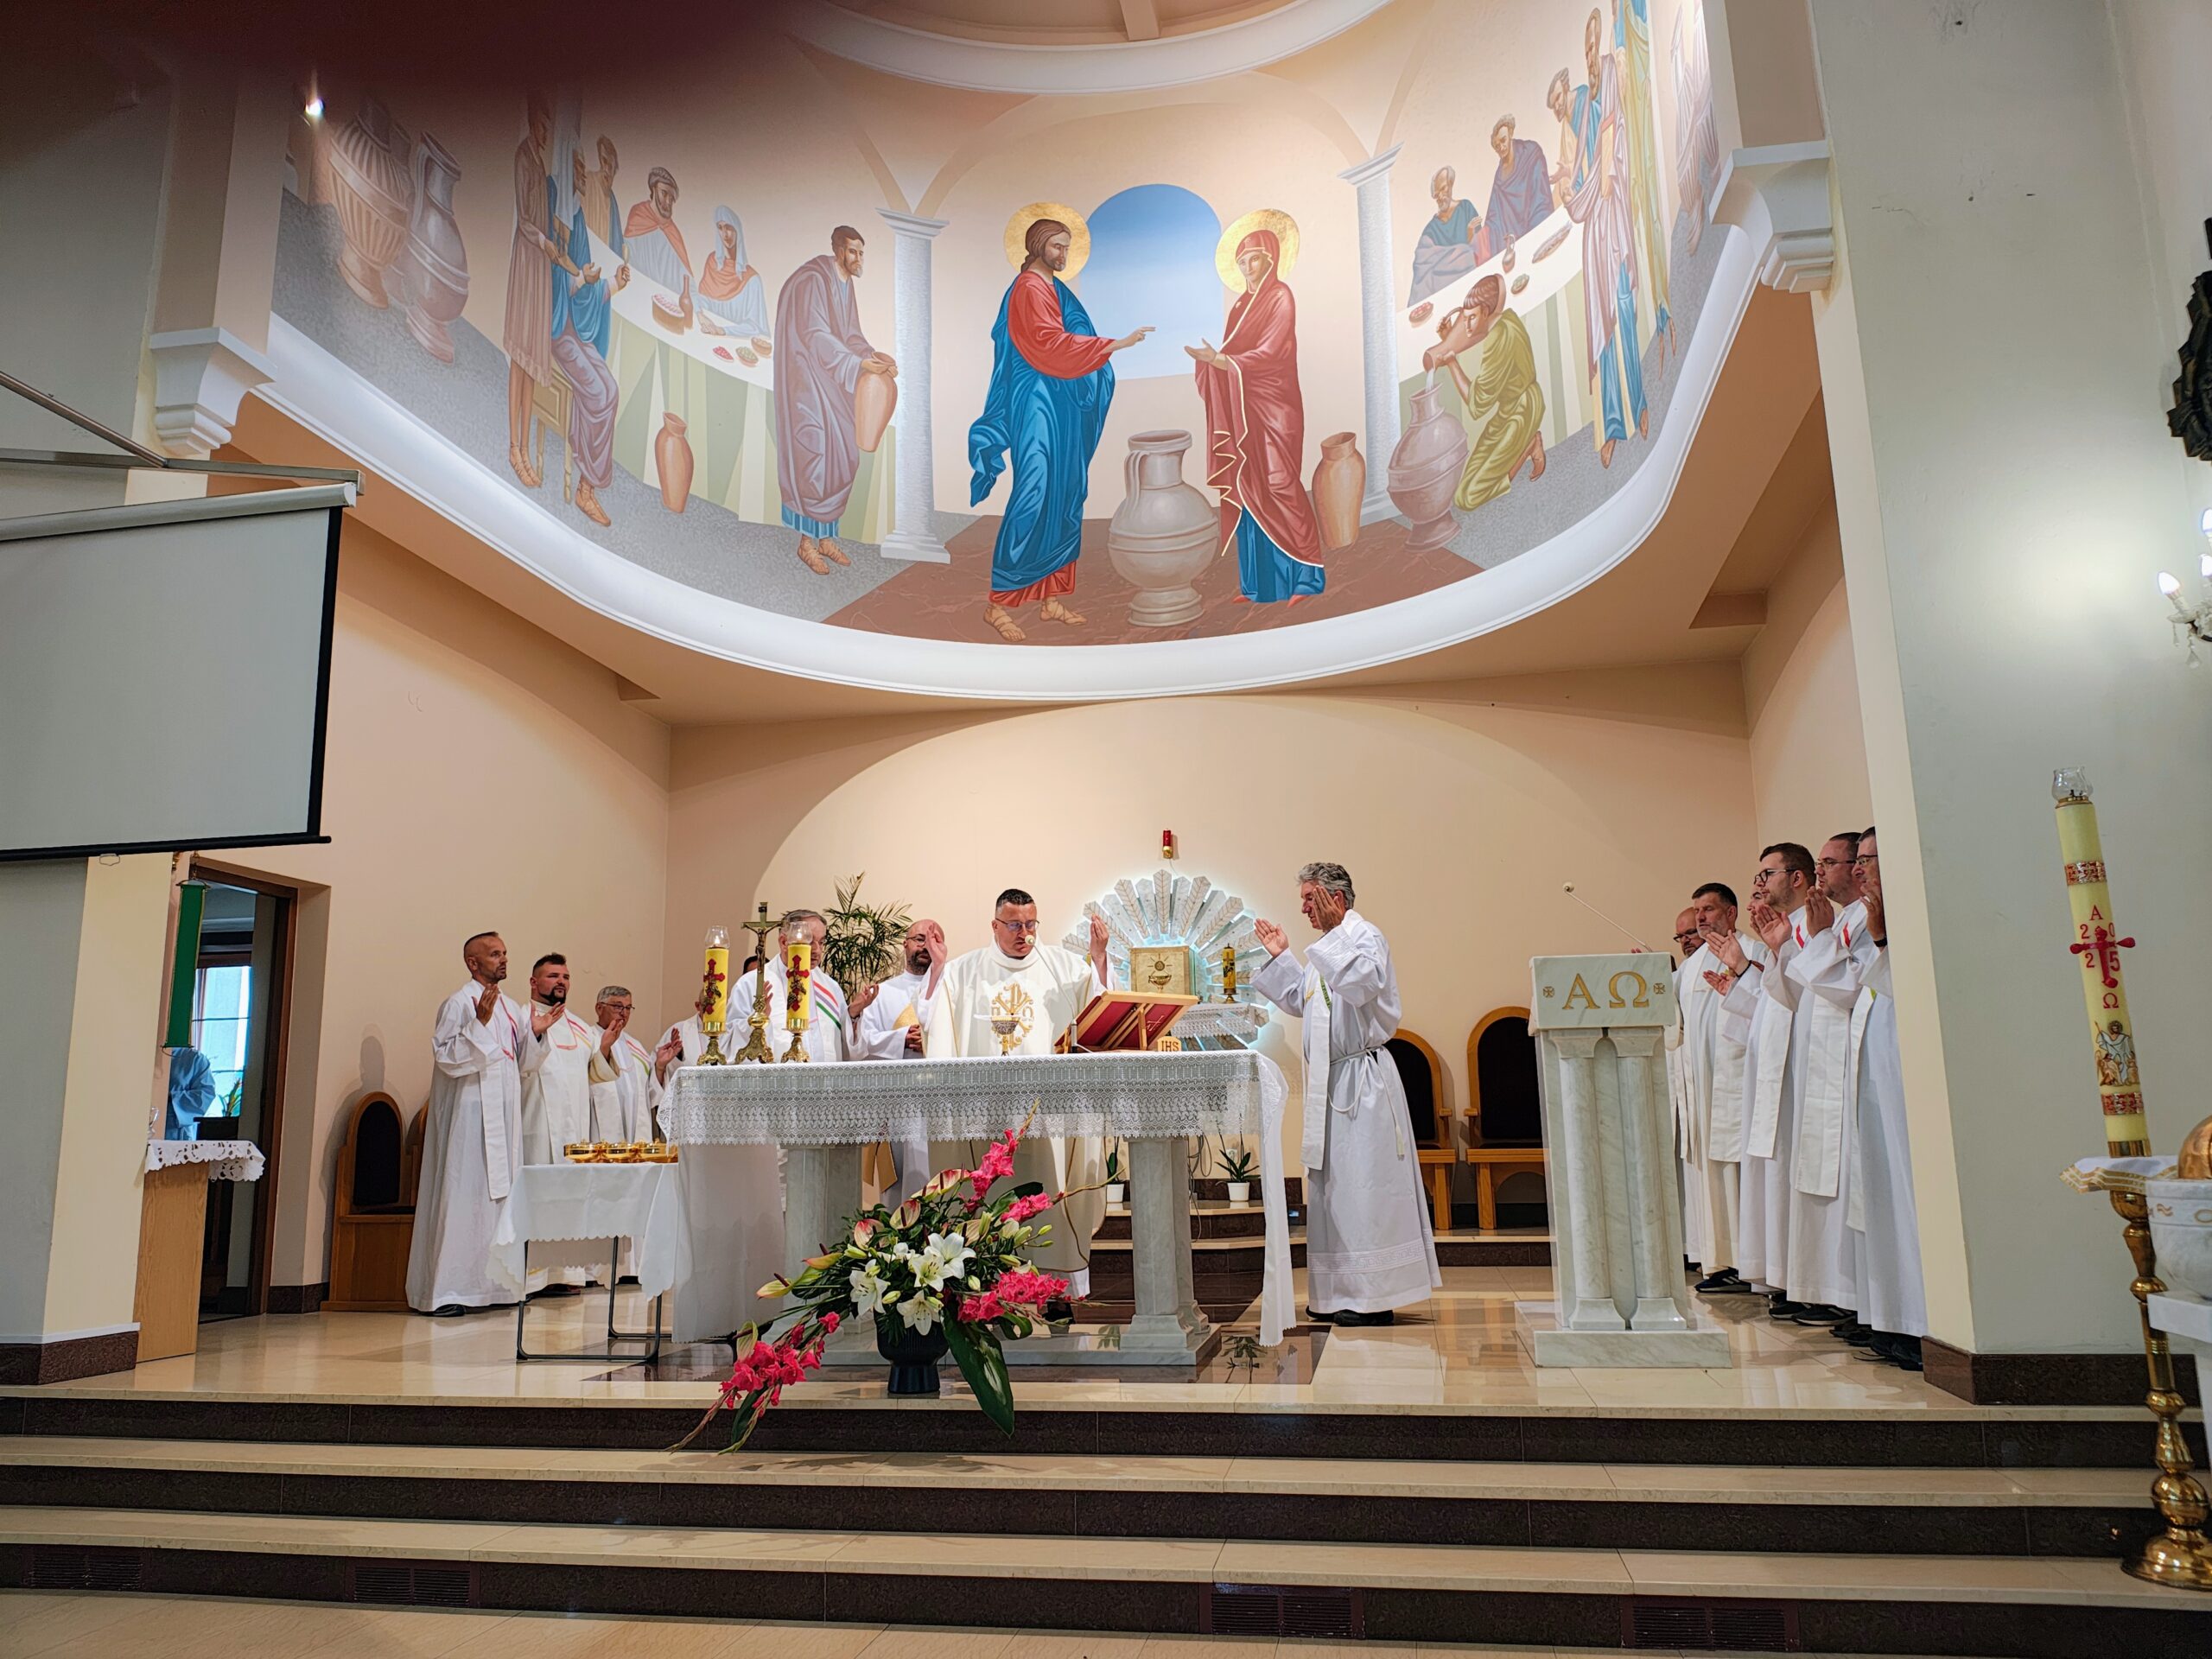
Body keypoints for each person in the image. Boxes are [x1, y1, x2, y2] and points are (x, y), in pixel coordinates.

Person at [1251, 863, 1440, 1326]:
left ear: (1336, 898)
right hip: (1331, 1084)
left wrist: (1333, 937)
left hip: (1364, 1083)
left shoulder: (1364, 937)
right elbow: (1302, 1001)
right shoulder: (1330, 948)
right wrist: (1282, 958)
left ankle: (1373, 1298)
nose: (1303, 908)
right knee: (1335, 1191)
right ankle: (1337, 1292)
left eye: (1310, 898)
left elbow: (1362, 984)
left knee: (1365, 1188)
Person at [923, 890, 1112, 1306]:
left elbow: (1097, 1014)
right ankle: (984, 1294)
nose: (1024, 933)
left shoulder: (1064, 968)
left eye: (1030, 924)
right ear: (995, 926)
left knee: (1051, 1194)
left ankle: (1057, 1295)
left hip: (1050, 1114)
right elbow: (936, 1028)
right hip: (985, 1115)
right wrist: (937, 968)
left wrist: (1098, 960)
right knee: (987, 1196)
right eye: (1014, 925)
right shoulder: (963, 972)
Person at [968, 218, 1151, 643]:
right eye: (1057, 246)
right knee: (1034, 489)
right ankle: (998, 604)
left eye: (1067, 247)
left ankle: (1050, 598)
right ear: (1037, 246)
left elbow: (1074, 331)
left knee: (1067, 490)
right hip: (1035, 400)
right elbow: (1046, 343)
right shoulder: (1028, 288)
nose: (1063, 254)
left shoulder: (1058, 290)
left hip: (1063, 401)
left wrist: (1093, 351)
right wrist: (1112, 345)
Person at [408, 932, 556, 1316]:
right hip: (469, 1118)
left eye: (504, 953)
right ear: (472, 963)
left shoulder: (508, 1007)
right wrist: (478, 1024)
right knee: (463, 1196)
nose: (503, 959)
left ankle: (497, 1289)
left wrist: (536, 1033)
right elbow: (447, 1058)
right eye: (494, 954)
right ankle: (449, 1291)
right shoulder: (458, 1004)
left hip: (503, 1121)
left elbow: (521, 1063)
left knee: (499, 1203)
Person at [1189, 226, 1325, 604]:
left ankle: (1307, 576)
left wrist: (1221, 361)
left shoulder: (1280, 296)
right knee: (1248, 486)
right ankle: (1259, 586)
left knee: (1280, 483)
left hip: (1275, 405)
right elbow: (1231, 353)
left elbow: (1272, 352)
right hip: (1243, 408)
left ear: (1271, 260)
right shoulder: (1239, 308)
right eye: (1242, 262)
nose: (1248, 268)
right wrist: (1211, 364)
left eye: (1254, 260)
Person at [1846, 829, 1925, 1369]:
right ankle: (1896, 1317)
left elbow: (1911, 984)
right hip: (1877, 1069)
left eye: (1867, 859)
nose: (1859, 869)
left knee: (1909, 1191)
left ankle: (1924, 1323)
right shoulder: (1868, 914)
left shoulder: (1912, 908)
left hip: (1906, 1066)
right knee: (1883, 1191)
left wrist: (1881, 940)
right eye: (1858, 860)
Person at [774, 226, 892, 575]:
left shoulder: (845, 284)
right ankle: (806, 543)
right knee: (814, 455)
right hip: (808, 381)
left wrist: (872, 356)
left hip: (835, 380)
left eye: (861, 252)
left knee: (845, 456)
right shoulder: (814, 280)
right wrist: (857, 365)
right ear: (839, 250)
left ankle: (825, 538)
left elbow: (850, 334)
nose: (858, 259)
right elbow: (815, 335)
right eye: (853, 251)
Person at [1561, 10, 1646, 467]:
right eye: (1587, 48)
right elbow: (1579, 160)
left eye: (1595, 45)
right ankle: (1612, 422)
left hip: (1612, 207)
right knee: (1602, 320)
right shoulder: (1583, 98)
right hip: (1594, 219)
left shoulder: (1611, 73)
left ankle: (1641, 400)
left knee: (1623, 306)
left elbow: (1616, 131)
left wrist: (1605, 174)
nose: (1592, 54)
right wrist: (1574, 189)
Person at [1682, 880, 1766, 1296]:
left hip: (1735, 1083)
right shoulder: (1693, 964)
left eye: (1709, 909)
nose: (1701, 917)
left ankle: (1749, 1263)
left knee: (1738, 1173)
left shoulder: (1752, 952)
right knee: (1711, 1177)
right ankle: (1718, 1261)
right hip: (1702, 1088)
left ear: (1731, 913)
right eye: (1697, 910)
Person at [550, 149, 630, 528]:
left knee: (611, 389)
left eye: (584, 170)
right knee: (598, 394)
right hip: (555, 328)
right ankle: (586, 488)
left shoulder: (578, 221)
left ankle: (586, 474)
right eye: (578, 170)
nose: (583, 178)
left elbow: (584, 292)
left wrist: (613, 283)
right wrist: (582, 278)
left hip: (575, 330)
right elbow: (554, 285)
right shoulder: (555, 212)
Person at [1424, 274, 1546, 512]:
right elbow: (1481, 339)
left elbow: (1477, 404)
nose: (1467, 325)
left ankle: (1530, 445)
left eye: (1472, 318)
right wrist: (1449, 339)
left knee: (1468, 498)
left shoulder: (1500, 337)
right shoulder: (1505, 320)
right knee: (1461, 493)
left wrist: (1452, 363)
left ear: (1486, 312)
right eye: (1465, 318)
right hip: (1506, 414)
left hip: (1522, 412)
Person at [855, 918, 946, 1205]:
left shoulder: (951, 990)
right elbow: (863, 1042)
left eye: (935, 940)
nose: (926, 946)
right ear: (905, 945)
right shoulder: (883, 993)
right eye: (920, 939)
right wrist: (902, 1038)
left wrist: (930, 1041)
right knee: (898, 1191)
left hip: (940, 1102)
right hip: (897, 1101)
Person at [503, 93, 561, 490]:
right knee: (519, 361)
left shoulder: (540, 163)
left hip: (540, 267)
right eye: (542, 125)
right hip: (527, 261)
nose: (545, 133)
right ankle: (514, 447)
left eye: (548, 127)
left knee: (530, 364)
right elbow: (525, 219)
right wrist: (544, 242)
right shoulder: (524, 158)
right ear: (531, 121)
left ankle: (524, 449)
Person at [728, 909, 873, 1065]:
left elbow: (844, 1046)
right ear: (784, 942)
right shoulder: (751, 984)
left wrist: (852, 1015)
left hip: (822, 1078)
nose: (817, 950)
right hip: (776, 1079)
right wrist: (757, 1021)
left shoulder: (830, 987)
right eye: (809, 941)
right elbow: (729, 1042)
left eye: (821, 942)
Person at [1613, 0, 1673, 366]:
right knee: (1640, 200)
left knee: (1650, 201)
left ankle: (1663, 305)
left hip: (1642, 100)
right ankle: (1659, 312)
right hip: (1631, 122)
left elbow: (1640, 36)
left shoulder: (1629, 13)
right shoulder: (1616, 19)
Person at [586, 983, 659, 1143]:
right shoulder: (588, 1039)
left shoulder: (636, 1047)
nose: (624, 1013)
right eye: (617, 1007)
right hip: (600, 1121)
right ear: (599, 1008)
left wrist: (660, 1066)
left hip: (634, 1121)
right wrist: (604, 1049)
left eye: (628, 1008)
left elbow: (649, 1090)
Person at [1408, 165, 1482, 305]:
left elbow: (1481, 248)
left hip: (1472, 282)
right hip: (1444, 291)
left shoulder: (1466, 208)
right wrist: (1461, 252)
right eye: (1437, 195)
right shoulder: (1431, 229)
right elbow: (1422, 266)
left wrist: (1470, 233)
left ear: (1451, 184)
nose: (1441, 196)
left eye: (1443, 189)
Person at [1482, 116, 1554, 251]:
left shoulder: (1530, 152)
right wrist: (1482, 236)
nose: (1501, 147)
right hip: (1513, 238)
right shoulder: (1499, 176)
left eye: (1503, 140)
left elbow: (1540, 196)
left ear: (1510, 134)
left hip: (1536, 221)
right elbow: (1494, 215)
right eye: (1497, 146)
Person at [697, 206, 769, 338]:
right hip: (708, 336)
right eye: (720, 228)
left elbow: (755, 328)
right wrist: (699, 314)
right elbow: (701, 300)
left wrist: (723, 331)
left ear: (737, 231)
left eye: (729, 228)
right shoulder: (712, 263)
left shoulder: (752, 280)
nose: (725, 234)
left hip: (734, 343)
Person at [621, 165, 692, 297]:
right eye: (664, 193)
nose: (668, 201)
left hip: (665, 300)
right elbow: (626, 256)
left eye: (671, 198)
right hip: (638, 293)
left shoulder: (673, 233)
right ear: (653, 189)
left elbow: (687, 279)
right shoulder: (638, 215)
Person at [163, 1045, 217, 1140]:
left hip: (175, 1130)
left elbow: (205, 1096)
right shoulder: (144, 1055)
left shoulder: (195, 1058)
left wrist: (171, 1096)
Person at [582, 134, 620, 248]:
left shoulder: (612, 200)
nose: (606, 169)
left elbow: (617, 242)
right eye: (604, 161)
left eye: (611, 166)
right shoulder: (588, 181)